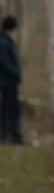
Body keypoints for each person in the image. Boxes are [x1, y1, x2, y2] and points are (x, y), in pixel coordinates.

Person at [0, 16, 23, 144]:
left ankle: (11, 134)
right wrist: (15, 72)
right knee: (10, 109)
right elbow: (4, 62)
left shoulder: (6, 41)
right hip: (7, 82)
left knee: (11, 109)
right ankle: (11, 135)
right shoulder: (4, 42)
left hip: (9, 81)